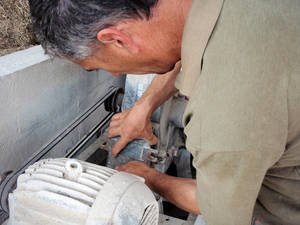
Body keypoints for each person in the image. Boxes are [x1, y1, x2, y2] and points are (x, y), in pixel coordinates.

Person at [29, 0, 300, 224]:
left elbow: (218, 206)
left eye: (98, 65)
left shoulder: (225, 115)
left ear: (116, 38)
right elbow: (180, 47)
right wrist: (144, 106)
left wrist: (152, 179)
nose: (113, 73)